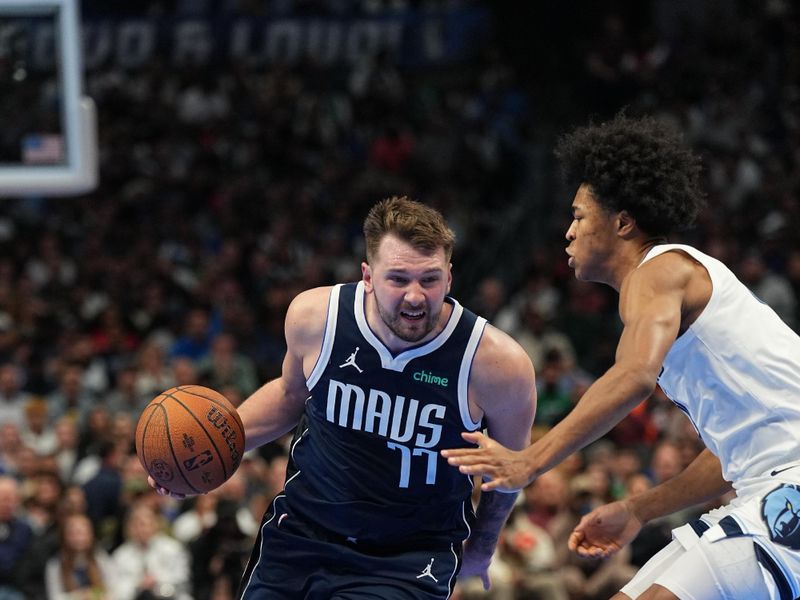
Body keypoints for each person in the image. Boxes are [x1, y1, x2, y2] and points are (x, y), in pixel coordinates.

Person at [442, 114, 800, 599]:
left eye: (579, 216)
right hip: (767, 481)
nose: (568, 232)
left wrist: (530, 461)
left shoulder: (659, 271)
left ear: (622, 223)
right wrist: (638, 509)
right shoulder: (675, 293)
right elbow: (731, 455)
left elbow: (632, 377)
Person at [150, 196, 537, 598]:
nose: (416, 296)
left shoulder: (497, 364)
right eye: (399, 279)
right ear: (367, 276)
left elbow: (509, 471)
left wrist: (483, 546)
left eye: (430, 279)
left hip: (408, 558)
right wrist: (202, 456)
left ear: (450, 277)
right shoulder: (317, 317)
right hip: (302, 532)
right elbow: (288, 396)